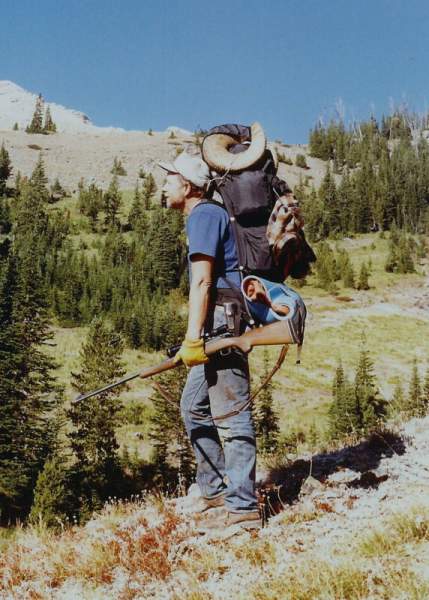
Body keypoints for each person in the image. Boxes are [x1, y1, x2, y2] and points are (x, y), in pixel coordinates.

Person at [159, 152, 261, 531]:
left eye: (169, 178)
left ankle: (243, 509)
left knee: (232, 416)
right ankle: (215, 488)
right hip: (218, 321)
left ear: (187, 186)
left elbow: (202, 282)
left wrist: (192, 339)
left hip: (222, 321)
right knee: (193, 407)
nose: (163, 185)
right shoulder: (206, 215)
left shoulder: (203, 215)